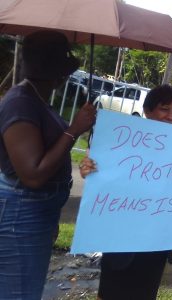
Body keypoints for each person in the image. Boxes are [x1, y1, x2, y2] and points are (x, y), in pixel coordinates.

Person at [79, 84, 172, 300]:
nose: (170, 116)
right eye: (164, 108)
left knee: (146, 292)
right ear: (147, 110)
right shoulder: (123, 139)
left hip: (156, 240)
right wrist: (88, 168)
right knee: (110, 291)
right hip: (120, 238)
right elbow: (102, 173)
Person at [0, 30, 96, 299]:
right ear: (56, 73)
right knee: (20, 292)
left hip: (35, 211)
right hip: (22, 212)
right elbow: (32, 174)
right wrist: (74, 129)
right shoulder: (21, 103)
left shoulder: (36, 100)